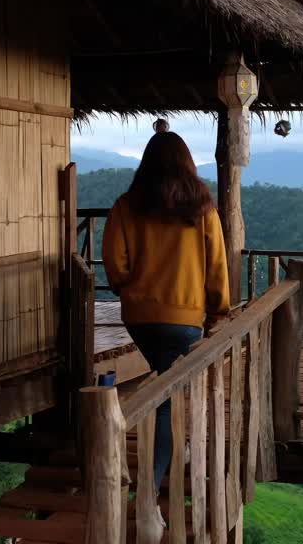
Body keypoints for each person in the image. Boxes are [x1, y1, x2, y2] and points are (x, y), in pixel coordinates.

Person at [102, 131, 230, 490]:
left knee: (164, 386)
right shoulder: (202, 209)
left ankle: (167, 459)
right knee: (166, 399)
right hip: (186, 319)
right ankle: (151, 485)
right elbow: (217, 266)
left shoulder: (126, 206)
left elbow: (114, 259)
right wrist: (218, 311)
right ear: (187, 163)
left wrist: (128, 288)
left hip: (139, 318)